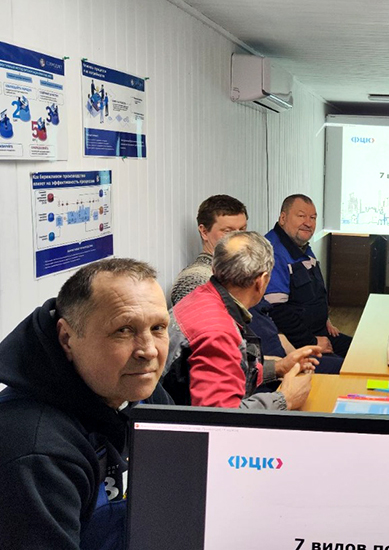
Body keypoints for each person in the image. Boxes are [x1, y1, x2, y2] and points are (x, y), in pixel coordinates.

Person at [0, 258, 173, 550]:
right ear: (67, 338)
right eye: (124, 330)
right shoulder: (35, 451)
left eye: (158, 327)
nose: (148, 350)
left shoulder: (137, 387)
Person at [164, 231, 318, 410]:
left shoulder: (200, 297)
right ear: (262, 281)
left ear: (215, 268)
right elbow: (221, 417)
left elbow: (223, 372)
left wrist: (278, 367)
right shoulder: (218, 333)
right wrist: (285, 399)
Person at [254, 194, 351, 357]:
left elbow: (314, 292)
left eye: (313, 218)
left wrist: (325, 319)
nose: (308, 223)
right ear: (283, 218)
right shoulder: (272, 252)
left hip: (320, 332)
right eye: (301, 216)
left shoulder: (301, 246)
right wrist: (312, 342)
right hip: (298, 344)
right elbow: (277, 312)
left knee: (362, 351)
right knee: (349, 366)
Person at [170, 194, 248, 305]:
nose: (238, 237)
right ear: (204, 232)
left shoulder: (240, 272)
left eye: (242, 229)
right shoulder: (195, 280)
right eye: (228, 231)